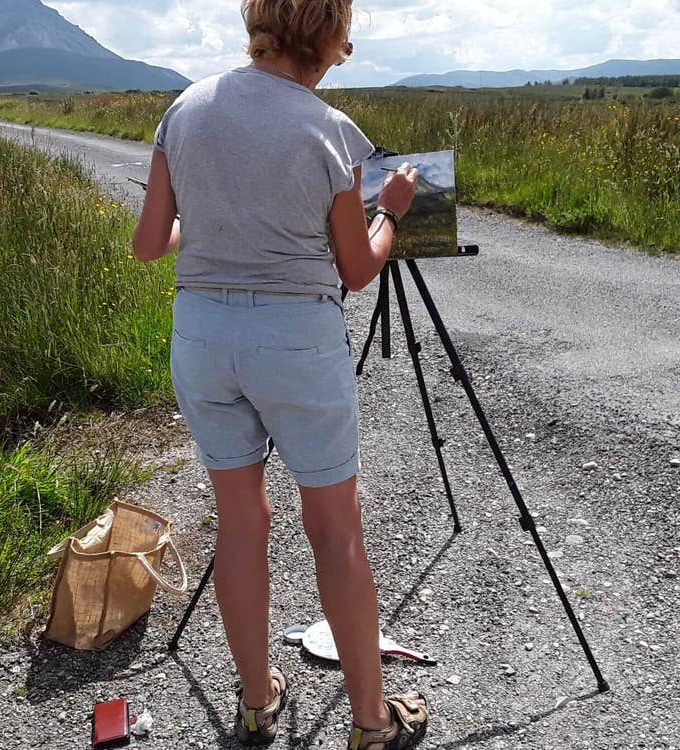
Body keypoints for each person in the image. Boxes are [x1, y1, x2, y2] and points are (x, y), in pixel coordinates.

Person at [132, 2, 428, 748]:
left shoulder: (184, 109)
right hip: (294, 338)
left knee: (240, 522)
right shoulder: (327, 130)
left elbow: (148, 243)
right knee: (334, 530)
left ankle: (258, 701)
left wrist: (210, 221)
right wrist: (389, 211)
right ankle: (371, 724)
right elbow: (357, 270)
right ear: (329, 35)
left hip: (202, 333)